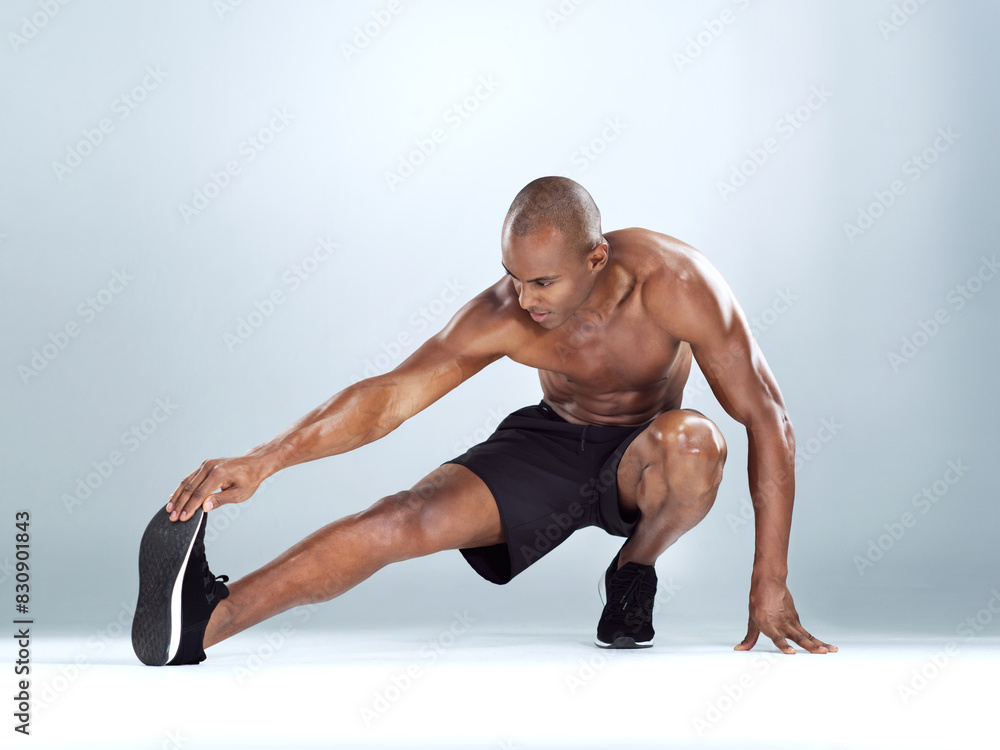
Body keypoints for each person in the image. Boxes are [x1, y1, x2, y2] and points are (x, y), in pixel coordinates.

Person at [131, 176, 836, 666]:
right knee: (400, 518)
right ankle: (204, 621)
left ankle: (634, 570)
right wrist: (267, 459)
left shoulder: (677, 284)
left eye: (543, 282)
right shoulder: (505, 312)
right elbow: (388, 398)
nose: (523, 298)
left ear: (597, 258)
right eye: (513, 275)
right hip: (550, 445)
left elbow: (768, 420)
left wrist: (769, 578)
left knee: (695, 442)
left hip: (646, 460)